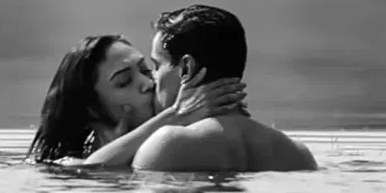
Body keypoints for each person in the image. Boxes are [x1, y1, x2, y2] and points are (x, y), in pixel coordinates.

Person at [132, 5, 317, 173]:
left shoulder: (167, 144)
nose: (153, 78)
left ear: (186, 68)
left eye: (157, 66)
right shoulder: (297, 153)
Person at [28, 34, 248, 166]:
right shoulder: (69, 165)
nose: (148, 83)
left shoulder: (179, 143)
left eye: (146, 69)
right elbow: (90, 169)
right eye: (124, 81)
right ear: (93, 110)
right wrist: (176, 115)